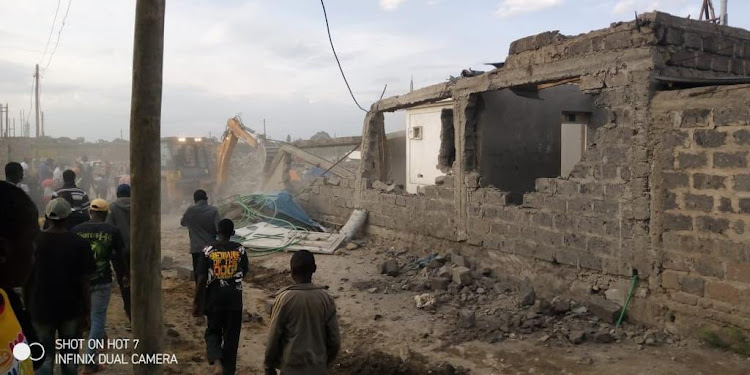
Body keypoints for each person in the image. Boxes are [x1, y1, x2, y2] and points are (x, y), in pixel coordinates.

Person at [26, 198, 95, 375]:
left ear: (47, 217)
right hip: (71, 310)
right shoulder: (80, 244)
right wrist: (87, 312)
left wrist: (27, 308)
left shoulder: (33, 242)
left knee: (44, 358)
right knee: (70, 358)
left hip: (40, 309)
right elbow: (85, 282)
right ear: (68, 217)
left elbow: (26, 279)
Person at [264, 250, 341, 375]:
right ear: (314, 269)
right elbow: (334, 341)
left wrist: (269, 367)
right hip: (318, 368)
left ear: (292, 271)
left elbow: (274, 338)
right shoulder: (326, 299)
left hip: (290, 369)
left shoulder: (285, 299)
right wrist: (322, 362)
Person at [72, 199, 127, 374]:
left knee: (82, 318)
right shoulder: (112, 231)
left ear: (90, 212)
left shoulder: (76, 230)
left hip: (79, 282)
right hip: (102, 281)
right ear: (106, 214)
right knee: (97, 319)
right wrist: (126, 274)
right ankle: (89, 362)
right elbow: (121, 254)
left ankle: (73, 360)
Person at [193, 219, 249, 375]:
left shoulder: (207, 250)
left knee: (212, 331)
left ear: (218, 232)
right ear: (232, 233)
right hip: (234, 302)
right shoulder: (240, 249)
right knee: (231, 337)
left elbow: (202, 278)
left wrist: (197, 302)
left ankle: (217, 362)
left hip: (214, 300)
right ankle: (229, 371)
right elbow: (244, 271)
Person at [0, 182, 41, 375]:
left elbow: (36, 356)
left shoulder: (8, 300)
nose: (35, 249)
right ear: (2, 250)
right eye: (32, 240)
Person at [181, 189, 220, 283]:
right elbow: (219, 229)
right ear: (206, 199)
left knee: (199, 275)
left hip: (196, 249)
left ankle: (199, 295)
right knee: (211, 275)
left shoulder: (190, 210)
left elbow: (183, 223)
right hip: (210, 249)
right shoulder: (214, 210)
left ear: (195, 200)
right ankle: (210, 295)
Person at [106, 184, 132, 320]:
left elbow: (109, 228)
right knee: (140, 279)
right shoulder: (139, 204)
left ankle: (129, 308)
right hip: (138, 252)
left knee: (124, 280)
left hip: (119, 252)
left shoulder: (112, 207)